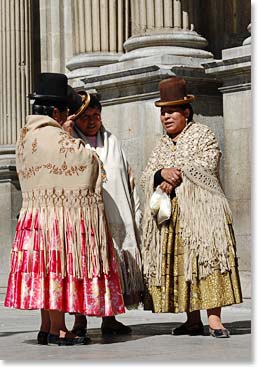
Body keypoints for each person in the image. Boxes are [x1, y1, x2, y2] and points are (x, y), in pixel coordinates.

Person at [4, 73, 125, 346]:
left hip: (34, 218)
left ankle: (46, 325)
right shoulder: (55, 137)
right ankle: (59, 329)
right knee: (55, 269)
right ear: (57, 111)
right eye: (67, 112)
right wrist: (71, 137)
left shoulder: (26, 136)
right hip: (57, 219)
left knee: (44, 270)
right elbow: (88, 162)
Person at [140, 77, 242, 338]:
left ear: (186, 111)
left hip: (203, 214)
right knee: (182, 266)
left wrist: (178, 173)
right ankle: (192, 320)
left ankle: (215, 320)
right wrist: (161, 173)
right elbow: (147, 174)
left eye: (171, 111)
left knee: (207, 263)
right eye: (163, 112)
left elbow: (209, 162)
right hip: (173, 217)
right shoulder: (162, 144)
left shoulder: (203, 134)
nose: (166, 117)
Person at [66, 91, 143, 335]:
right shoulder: (70, 144)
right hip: (84, 220)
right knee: (83, 267)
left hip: (114, 217)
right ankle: (80, 321)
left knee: (112, 267)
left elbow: (126, 178)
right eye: (85, 116)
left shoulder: (112, 142)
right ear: (75, 118)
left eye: (96, 115)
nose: (92, 121)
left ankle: (109, 317)